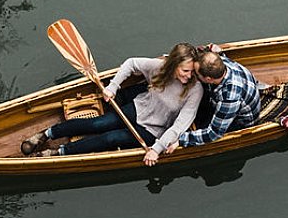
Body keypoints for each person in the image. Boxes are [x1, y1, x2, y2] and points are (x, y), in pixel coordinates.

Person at [21, 43, 202, 166]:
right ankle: (45, 134)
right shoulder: (159, 67)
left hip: (153, 130)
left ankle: (59, 152)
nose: (189, 75)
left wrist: (156, 149)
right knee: (97, 124)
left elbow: (179, 126)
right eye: (185, 70)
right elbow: (131, 63)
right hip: (138, 108)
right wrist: (112, 87)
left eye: (192, 71)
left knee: (110, 138)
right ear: (173, 65)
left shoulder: (195, 90)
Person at [169, 45, 262, 151]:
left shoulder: (229, 97)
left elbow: (213, 133)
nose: (192, 74)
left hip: (238, 121)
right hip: (232, 95)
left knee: (203, 126)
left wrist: (181, 140)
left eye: (195, 72)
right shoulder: (219, 62)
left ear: (208, 79)